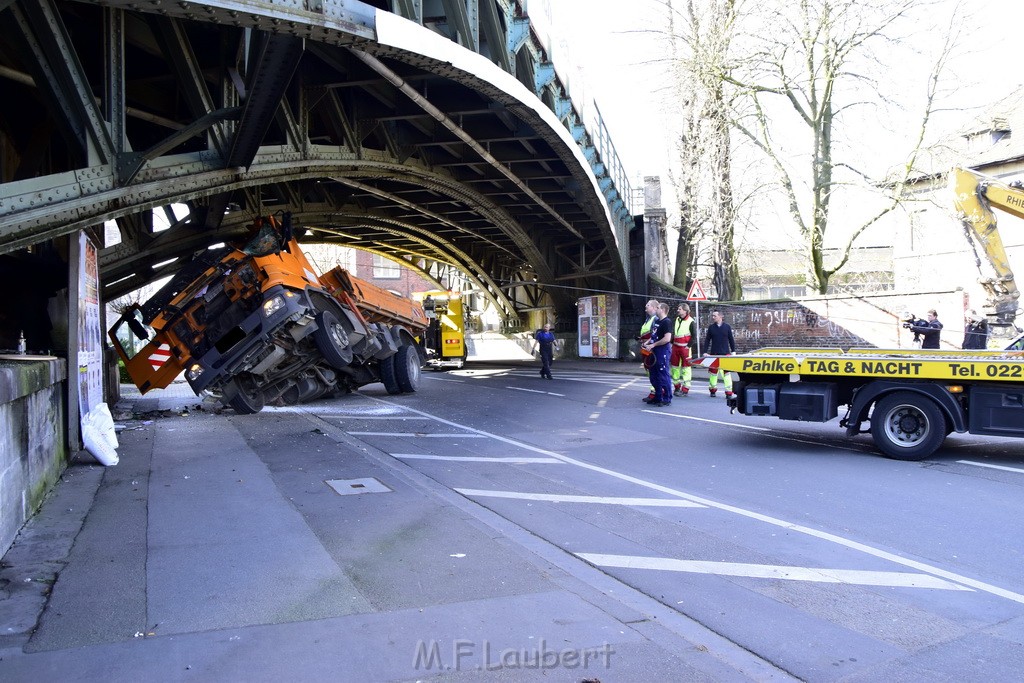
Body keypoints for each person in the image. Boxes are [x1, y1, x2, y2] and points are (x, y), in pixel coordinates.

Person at [642, 302, 674, 406]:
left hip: (662, 351)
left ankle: (666, 397)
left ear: (663, 310)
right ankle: (657, 396)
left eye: (658, 308)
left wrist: (653, 345)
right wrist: (647, 343)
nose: (656, 309)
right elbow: (654, 334)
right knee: (654, 374)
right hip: (654, 351)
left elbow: (667, 338)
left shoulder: (666, 322)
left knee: (663, 374)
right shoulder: (657, 321)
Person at [703, 309, 736, 397]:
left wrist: (733, 351)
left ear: (721, 316)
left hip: (725, 353)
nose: (713, 317)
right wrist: (705, 352)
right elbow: (707, 340)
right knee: (713, 373)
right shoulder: (711, 327)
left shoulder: (727, 327)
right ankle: (712, 390)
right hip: (714, 353)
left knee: (727, 373)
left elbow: (731, 339)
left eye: (715, 316)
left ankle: (728, 392)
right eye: (712, 316)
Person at [671, 302, 697, 396]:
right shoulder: (677, 319)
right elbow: (675, 333)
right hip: (676, 346)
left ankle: (685, 388)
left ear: (685, 310)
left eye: (680, 309)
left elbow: (694, 336)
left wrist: (688, 346)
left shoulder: (691, 321)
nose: (678, 310)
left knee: (686, 368)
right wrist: (671, 343)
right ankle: (677, 387)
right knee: (674, 367)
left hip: (685, 347)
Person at [638, 299, 660, 401]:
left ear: (654, 307)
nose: (646, 307)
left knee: (652, 369)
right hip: (646, 348)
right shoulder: (648, 319)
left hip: (650, 348)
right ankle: (654, 390)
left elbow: (654, 335)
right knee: (649, 370)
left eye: (648, 305)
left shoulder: (655, 319)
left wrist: (647, 343)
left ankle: (655, 392)